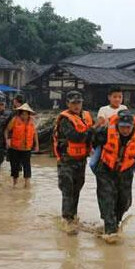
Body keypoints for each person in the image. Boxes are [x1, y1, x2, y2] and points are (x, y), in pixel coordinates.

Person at [93, 110, 135, 244]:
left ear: (133, 126)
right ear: (117, 125)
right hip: (106, 168)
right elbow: (94, 142)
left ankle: (115, 223)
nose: (125, 130)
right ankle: (110, 232)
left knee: (124, 201)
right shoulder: (105, 131)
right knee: (107, 198)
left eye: (128, 127)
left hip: (126, 169)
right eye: (122, 126)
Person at [90, 86, 135, 200]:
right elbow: (101, 123)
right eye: (115, 97)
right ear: (109, 97)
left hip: (124, 143)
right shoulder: (103, 110)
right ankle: (104, 180)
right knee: (92, 164)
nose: (117, 99)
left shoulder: (124, 108)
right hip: (106, 142)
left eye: (120, 97)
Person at [52, 91, 94, 235]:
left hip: (81, 160)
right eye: (73, 103)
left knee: (77, 188)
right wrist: (92, 131)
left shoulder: (86, 116)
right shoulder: (65, 119)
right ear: (68, 104)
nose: (76, 106)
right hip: (66, 161)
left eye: (79, 103)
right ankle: (66, 221)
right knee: (67, 189)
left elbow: (90, 137)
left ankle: (73, 217)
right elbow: (75, 137)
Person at [4, 103, 39, 187]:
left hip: (26, 148)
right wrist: (7, 140)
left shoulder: (32, 121)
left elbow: (35, 134)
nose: (24, 116)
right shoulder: (15, 120)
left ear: (29, 114)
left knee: (27, 166)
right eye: (23, 114)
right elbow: (7, 130)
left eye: (26, 114)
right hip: (14, 148)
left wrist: (37, 145)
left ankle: (27, 184)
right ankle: (15, 183)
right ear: (20, 113)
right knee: (15, 167)